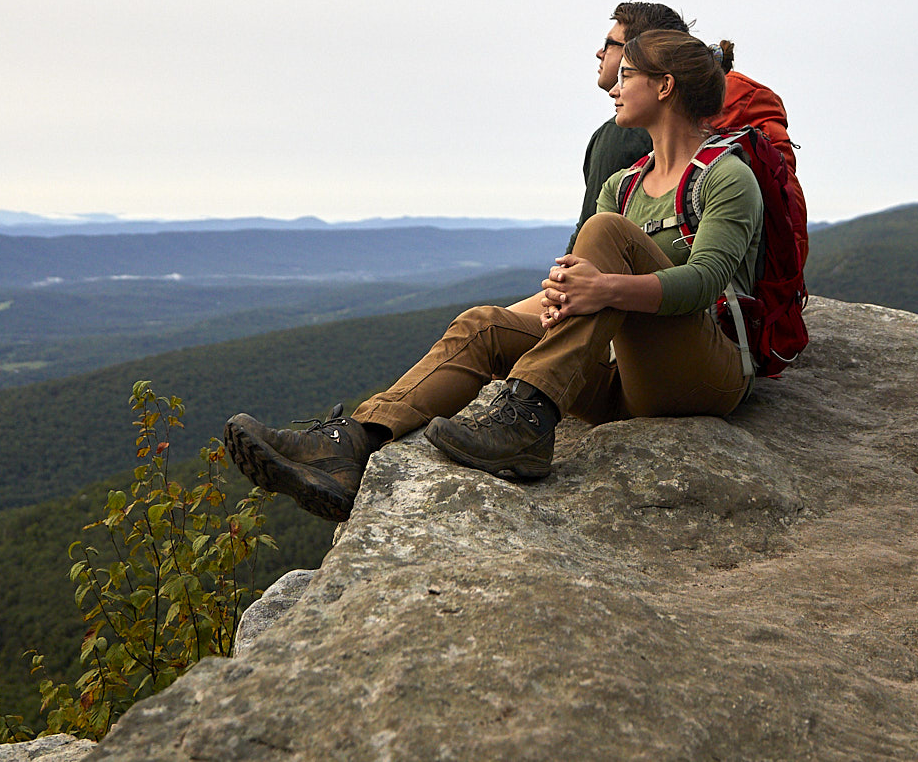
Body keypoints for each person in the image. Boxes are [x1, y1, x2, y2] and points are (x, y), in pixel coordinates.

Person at [224, 29, 763, 522]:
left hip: (705, 375)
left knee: (605, 233)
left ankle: (525, 424)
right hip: (628, 382)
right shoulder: (624, 183)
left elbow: (705, 282)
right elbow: (576, 282)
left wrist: (603, 288)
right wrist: (563, 300)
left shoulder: (726, 176)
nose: (614, 86)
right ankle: (349, 445)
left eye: (627, 74)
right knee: (483, 325)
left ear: (665, 86)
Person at [573, 2, 797, 249]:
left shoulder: (620, 138)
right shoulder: (717, 148)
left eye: (610, 45)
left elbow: (590, 245)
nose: (599, 52)